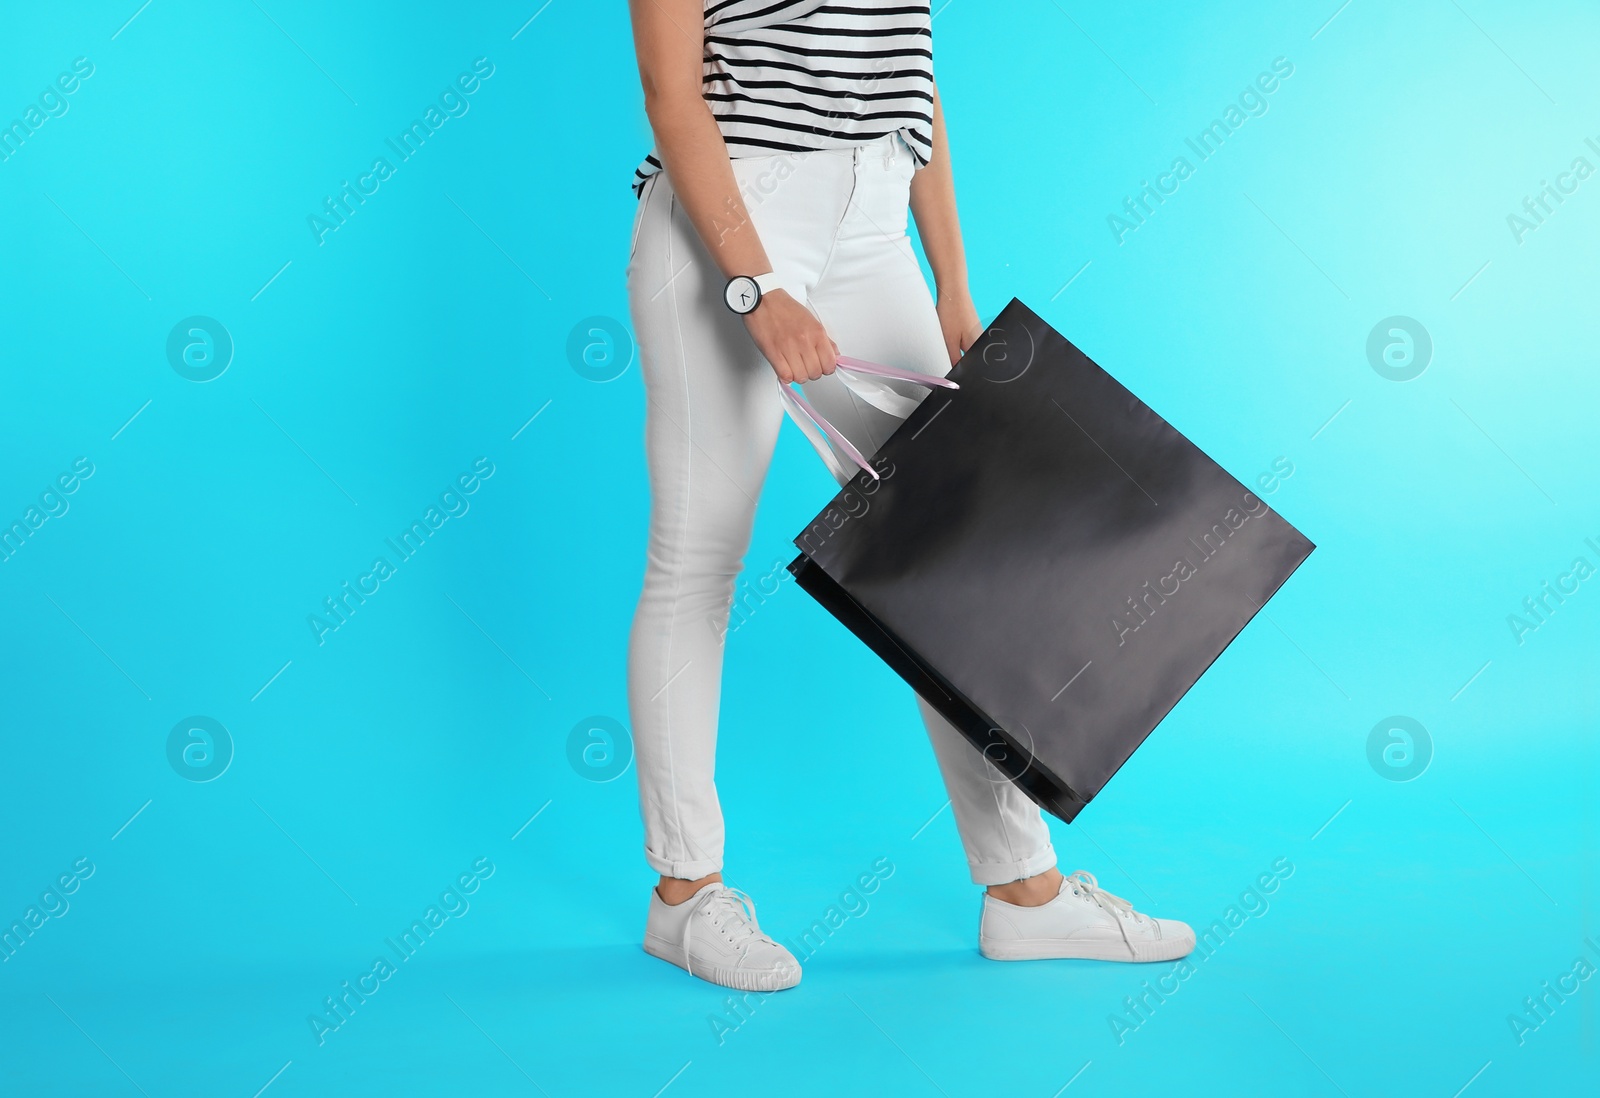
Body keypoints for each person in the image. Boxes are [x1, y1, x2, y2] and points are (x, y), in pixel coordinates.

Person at [625, 0, 1194, 991]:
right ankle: (684, 896)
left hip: (875, 218)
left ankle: (1023, 894)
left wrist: (951, 282)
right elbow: (673, 93)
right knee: (698, 560)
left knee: (944, 548)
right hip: (736, 211)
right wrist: (755, 286)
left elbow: (908, 77)